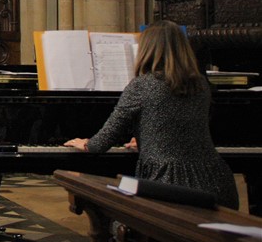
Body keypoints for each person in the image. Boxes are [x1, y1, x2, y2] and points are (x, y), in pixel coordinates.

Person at [64, 20, 239, 209]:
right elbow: (183, 126)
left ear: (146, 49)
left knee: (120, 221)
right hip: (216, 183)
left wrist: (87, 144)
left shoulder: (142, 85)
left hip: (168, 188)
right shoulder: (201, 86)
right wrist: (151, 139)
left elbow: (102, 142)